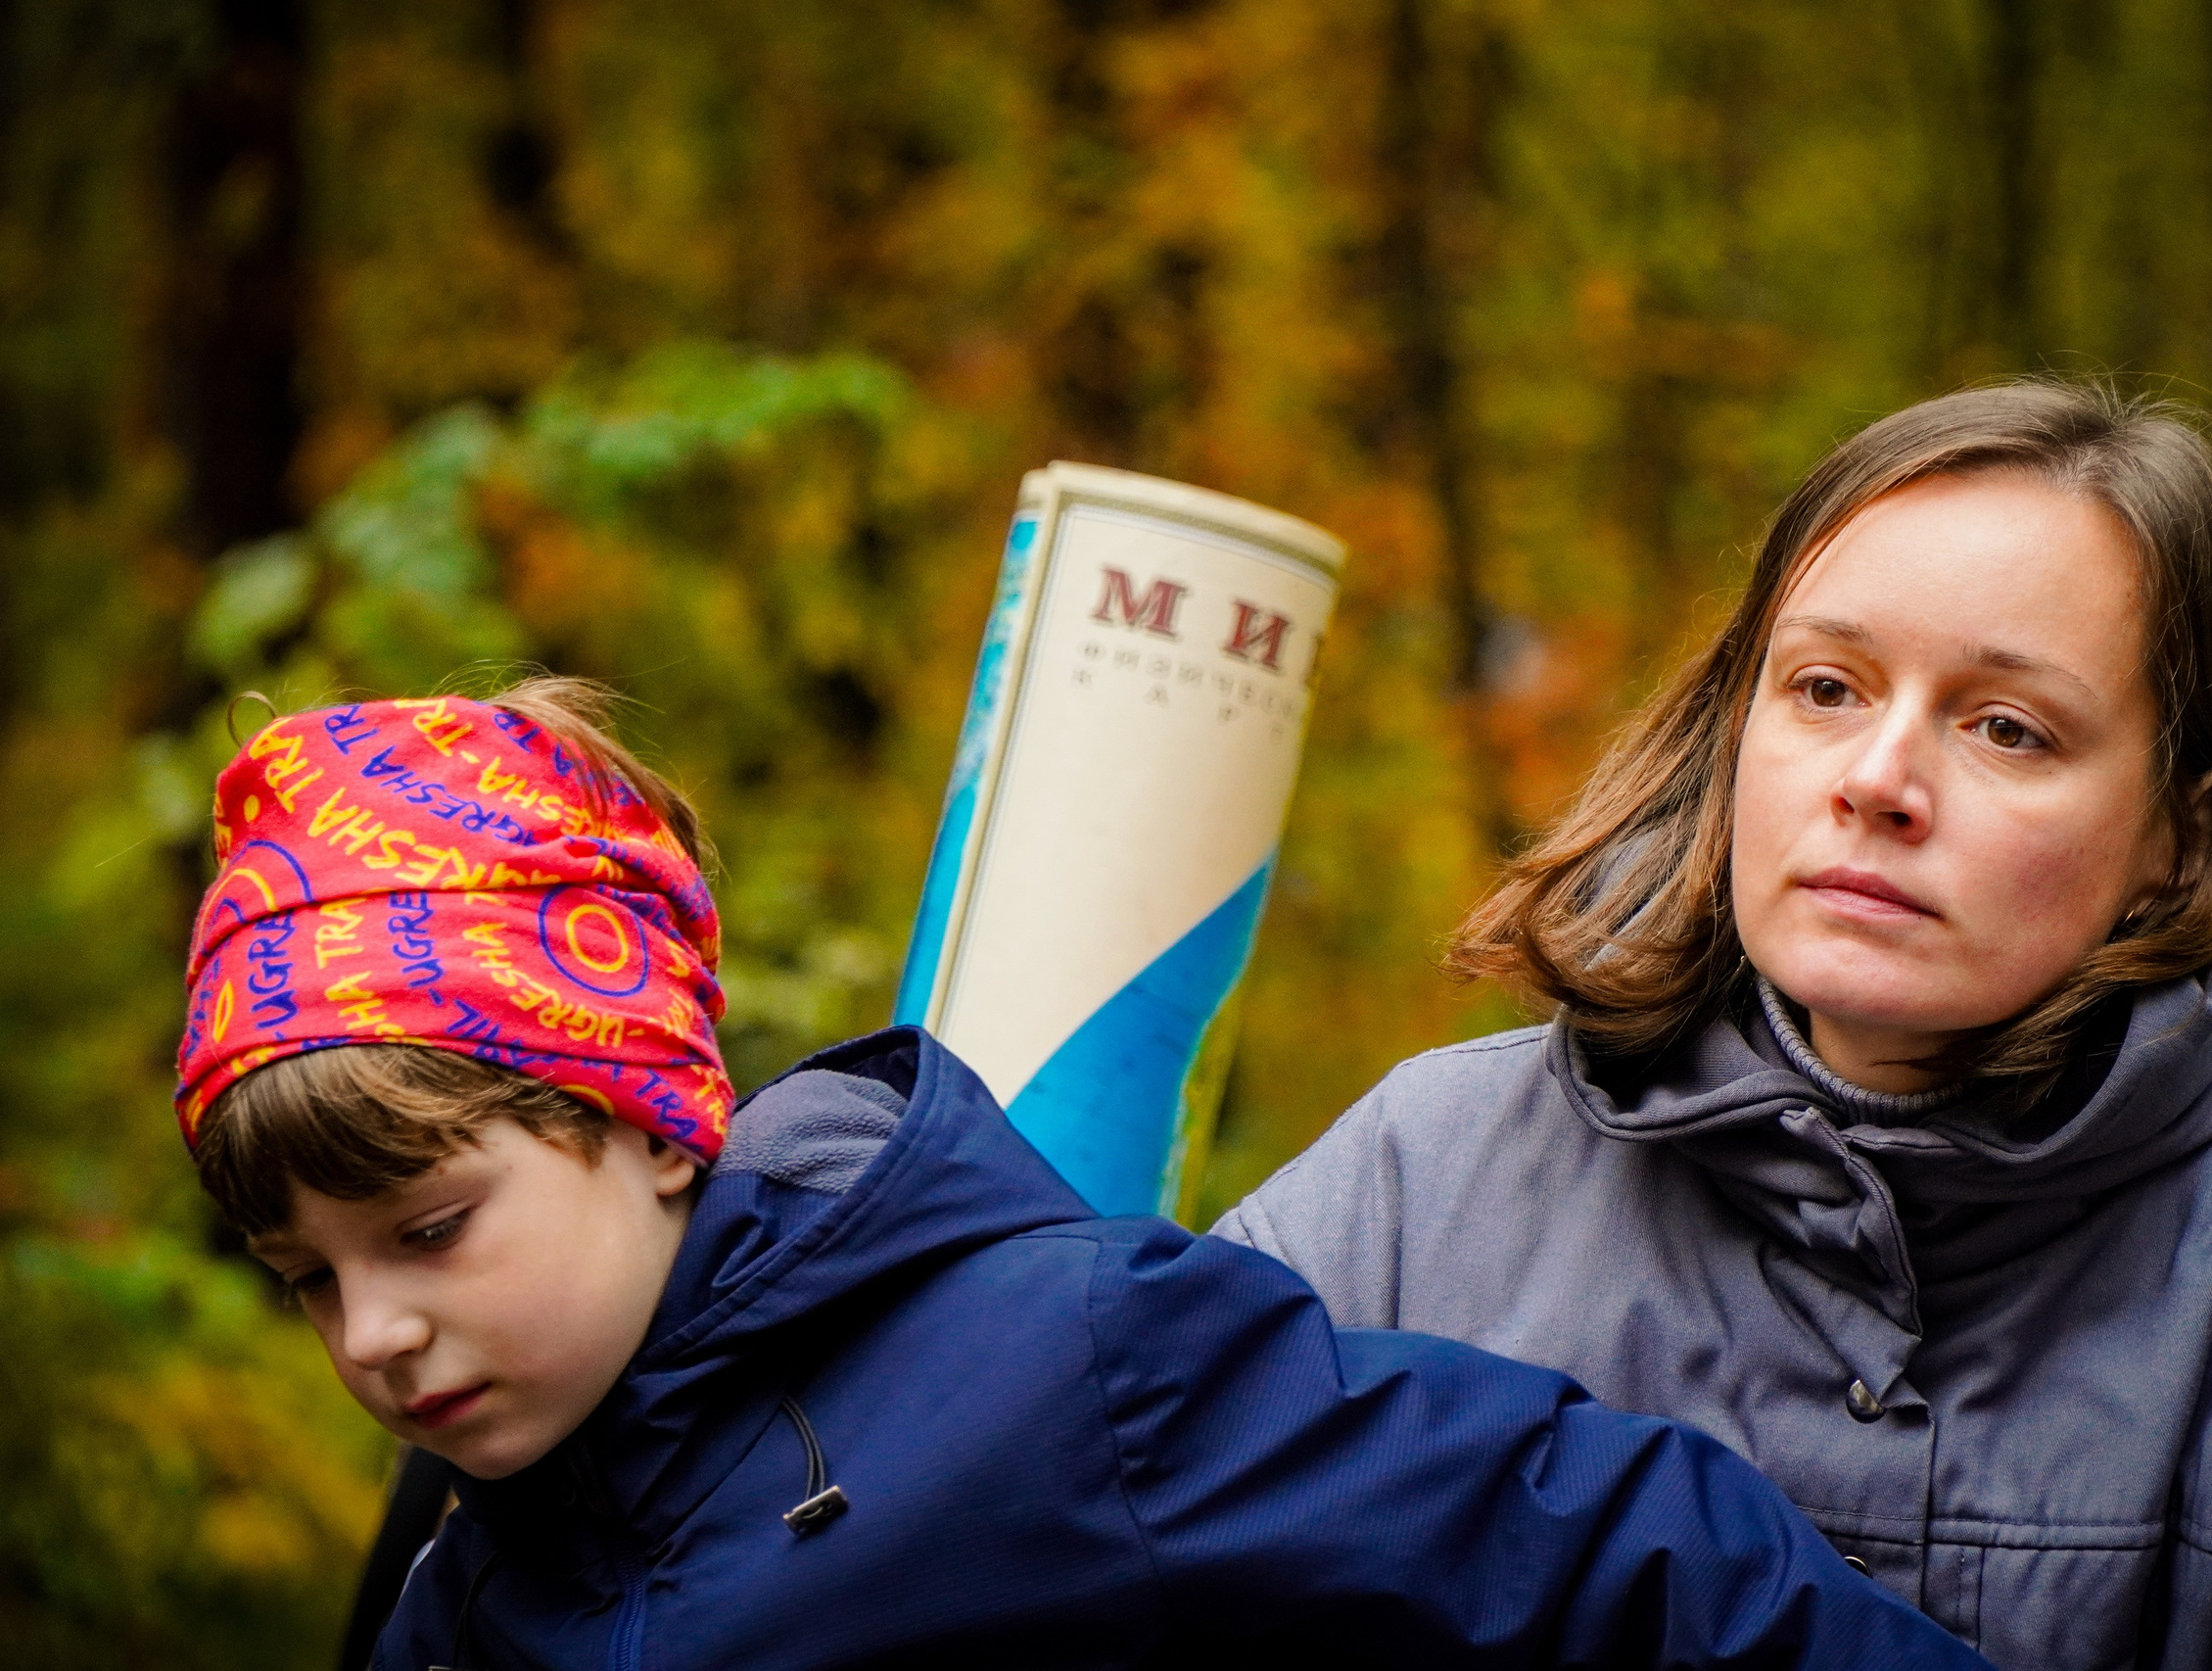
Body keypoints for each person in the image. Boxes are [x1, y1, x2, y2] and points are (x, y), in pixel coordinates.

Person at [175, 681, 1988, 1671]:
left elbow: (1593, 1541)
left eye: (426, 1231)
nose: (376, 1335)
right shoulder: (459, 1578)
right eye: (310, 1277)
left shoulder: (1074, 1359)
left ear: (652, 1120)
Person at [1214, 380, 2212, 1669]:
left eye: (2007, 728)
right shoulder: (1418, 1185)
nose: (1876, 781)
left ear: (2183, 833)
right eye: (1827, 688)